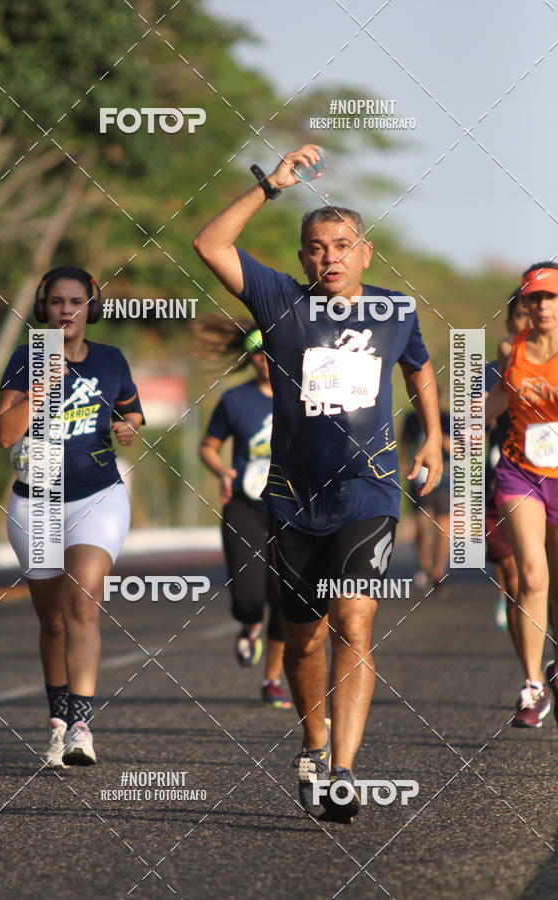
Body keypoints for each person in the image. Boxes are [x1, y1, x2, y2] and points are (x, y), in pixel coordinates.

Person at [193, 144, 442, 822]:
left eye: (341, 245)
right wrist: (272, 184)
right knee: (302, 637)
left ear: (365, 252)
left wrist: (435, 435)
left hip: (370, 491)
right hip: (294, 500)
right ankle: (312, 742)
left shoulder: (395, 311)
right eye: (315, 247)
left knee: (354, 621)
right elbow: (208, 242)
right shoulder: (280, 300)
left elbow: (418, 368)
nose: (328, 256)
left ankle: (344, 771)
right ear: (303, 258)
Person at [0, 266, 143, 767]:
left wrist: (127, 427)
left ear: (90, 307)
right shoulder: (25, 359)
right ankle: (57, 720)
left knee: (83, 602)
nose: (66, 311)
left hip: (96, 495)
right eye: (57, 302)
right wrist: (38, 390)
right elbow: (3, 434)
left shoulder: (111, 359)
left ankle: (81, 724)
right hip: (34, 502)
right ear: (44, 307)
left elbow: (131, 412)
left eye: (76, 302)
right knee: (52, 621)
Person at [195, 314, 291, 709]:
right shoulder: (235, 399)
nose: (265, 359)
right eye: (258, 353)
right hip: (245, 506)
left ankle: (272, 680)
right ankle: (249, 624)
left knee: (284, 601)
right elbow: (208, 446)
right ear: (250, 358)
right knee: (250, 596)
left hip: (289, 507)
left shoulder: (303, 396)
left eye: (270, 351)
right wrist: (222, 471)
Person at [486, 262, 558, 728]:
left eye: (551, 298)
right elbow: (495, 404)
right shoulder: (513, 348)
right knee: (531, 576)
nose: (542, 307)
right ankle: (532, 684)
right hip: (520, 473)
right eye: (534, 299)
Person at [484, 290, 529, 632]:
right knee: (516, 577)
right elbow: (468, 436)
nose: (530, 322)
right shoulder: (486, 375)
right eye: (521, 316)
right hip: (502, 483)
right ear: (509, 323)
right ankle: (531, 675)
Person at [400, 406, 451, 593]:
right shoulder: (412, 418)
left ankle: (438, 574)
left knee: (443, 529)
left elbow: (460, 448)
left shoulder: (446, 418)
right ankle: (425, 566)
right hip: (419, 478)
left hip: (444, 479)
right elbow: (404, 442)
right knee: (422, 526)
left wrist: (440, 439)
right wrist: (404, 464)